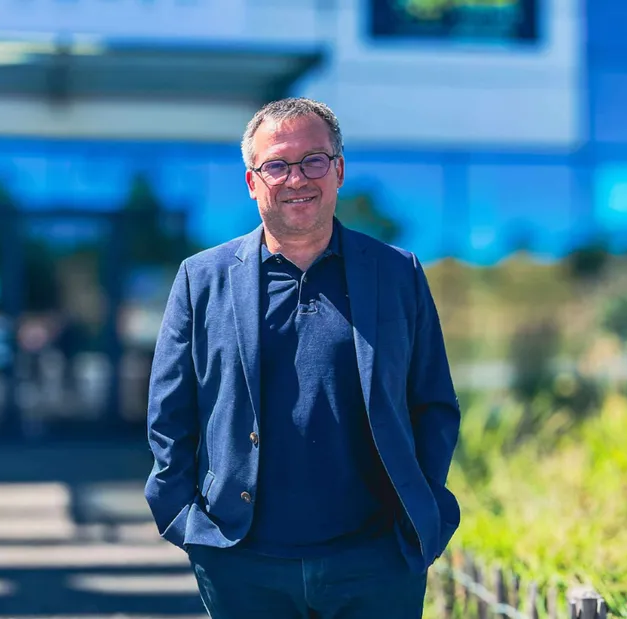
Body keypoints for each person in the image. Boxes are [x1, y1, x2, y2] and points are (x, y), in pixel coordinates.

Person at [144, 97, 461, 619]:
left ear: (338, 171)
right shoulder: (201, 279)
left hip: (376, 561)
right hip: (241, 563)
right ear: (252, 182)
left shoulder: (396, 272)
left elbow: (433, 403)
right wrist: (186, 522)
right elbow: (169, 416)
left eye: (313, 160)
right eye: (277, 164)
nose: (296, 178)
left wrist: (423, 517)